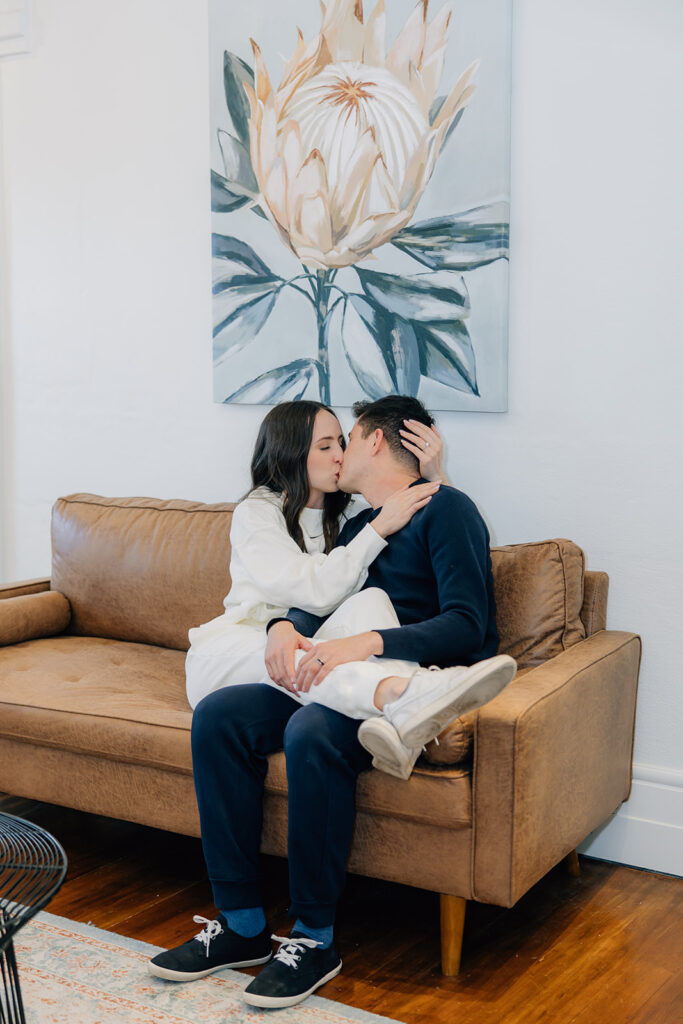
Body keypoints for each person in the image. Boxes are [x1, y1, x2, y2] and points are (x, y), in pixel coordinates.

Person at [149, 395, 516, 1009]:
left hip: (402, 668)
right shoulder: (352, 525)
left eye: (346, 438)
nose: (340, 452)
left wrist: (365, 643)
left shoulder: (447, 509)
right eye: (328, 444)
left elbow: (467, 626)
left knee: (312, 730)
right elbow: (316, 600)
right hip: (342, 668)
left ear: (374, 441)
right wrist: (280, 629)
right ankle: (241, 926)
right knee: (220, 717)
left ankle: (315, 939)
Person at [184, 400, 444, 711]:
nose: (340, 456)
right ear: (290, 453)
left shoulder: (353, 519)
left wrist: (434, 476)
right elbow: (314, 591)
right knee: (308, 655)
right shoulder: (256, 513)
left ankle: (411, 703)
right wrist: (377, 529)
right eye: (325, 447)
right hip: (243, 649)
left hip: (312, 645)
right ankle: (411, 693)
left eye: (341, 442)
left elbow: (433, 539)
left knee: (371, 601)